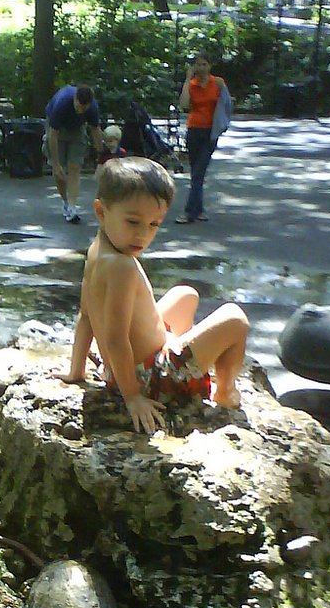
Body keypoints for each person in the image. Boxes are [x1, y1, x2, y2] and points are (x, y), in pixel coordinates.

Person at [59, 157, 249, 433]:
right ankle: (224, 392)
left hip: (122, 371)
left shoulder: (97, 250)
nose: (143, 235)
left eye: (154, 224)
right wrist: (133, 398)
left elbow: (86, 316)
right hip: (149, 379)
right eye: (133, 222)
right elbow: (115, 340)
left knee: (186, 295)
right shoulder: (122, 267)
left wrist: (76, 371)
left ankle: (186, 360)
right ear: (101, 211)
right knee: (235, 318)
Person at [176, 52, 231, 224]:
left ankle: (189, 213)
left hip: (210, 132)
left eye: (204, 64)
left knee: (199, 172)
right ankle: (199, 210)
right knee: (196, 173)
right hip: (194, 130)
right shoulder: (191, 85)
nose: (201, 68)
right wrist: (187, 79)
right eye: (198, 65)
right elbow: (184, 105)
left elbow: (227, 104)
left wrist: (223, 124)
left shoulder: (218, 83)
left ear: (210, 66)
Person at [46, 84, 104, 223]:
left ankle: (72, 207)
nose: (80, 110)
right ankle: (65, 201)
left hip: (77, 130)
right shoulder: (62, 103)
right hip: (57, 130)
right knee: (59, 173)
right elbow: (52, 135)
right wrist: (56, 164)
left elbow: (95, 130)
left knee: (75, 167)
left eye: (84, 108)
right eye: (78, 106)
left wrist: (102, 156)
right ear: (75, 99)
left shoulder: (92, 108)